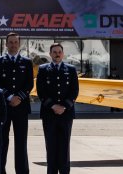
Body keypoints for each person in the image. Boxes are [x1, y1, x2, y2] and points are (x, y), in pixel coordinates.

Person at [0, 32, 34, 174]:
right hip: (4, 107)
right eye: (10, 42)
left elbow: (29, 83)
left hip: (21, 107)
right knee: (2, 141)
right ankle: (0, 170)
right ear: (6, 44)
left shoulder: (27, 62)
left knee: (21, 142)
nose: (13, 45)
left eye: (16, 42)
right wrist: (9, 97)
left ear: (19, 44)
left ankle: (22, 171)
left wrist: (19, 98)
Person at [36, 43, 79, 174]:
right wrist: (53, 106)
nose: (57, 54)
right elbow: (41, 91)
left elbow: (74, 91)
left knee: (64, 147)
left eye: (59, 52)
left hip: (66, 114)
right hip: (49, 114)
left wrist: (64, 106)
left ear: (63, 54)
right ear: (50, 54)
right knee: (51, 146)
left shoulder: (71, 69)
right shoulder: (43, 69)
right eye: (54, 52)